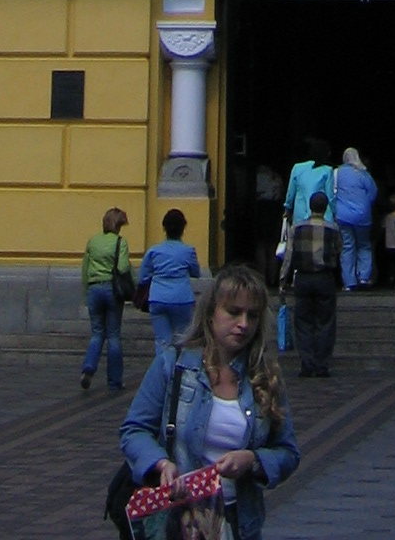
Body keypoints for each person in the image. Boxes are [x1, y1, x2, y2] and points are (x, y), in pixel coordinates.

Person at [120, 262, 299, 539]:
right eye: (233, 312)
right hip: (180, 522)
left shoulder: (265, 377)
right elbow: (133, 430)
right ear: (211, 312)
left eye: (252, 316)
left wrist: (252, 460)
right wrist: (161, 464)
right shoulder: (173, 364)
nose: (243, 324)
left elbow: (288, 452)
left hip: (239, 525)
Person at [281, 190, 340, 378]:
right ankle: (322, 364)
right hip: (324, 277)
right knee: (325, 322)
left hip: (303, 278)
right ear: (325, 208)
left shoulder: (297, 228)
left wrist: (283, 281)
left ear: (310, 206)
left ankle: (307, 363)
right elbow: (339, 249)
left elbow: (288, 257)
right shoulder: (333, 229)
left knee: (303, 322)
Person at [80, 206, 132, 394]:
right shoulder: (120, 242)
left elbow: (85, 268)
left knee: (97, 333)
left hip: (94, 289)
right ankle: (115, 381)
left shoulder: (93, 241)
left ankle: (88, 368)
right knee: (113, 336)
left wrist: (86, 291)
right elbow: (123, 267)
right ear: (118, 225)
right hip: (112, 290)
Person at [139, 210, 203, 355]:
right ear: (183, 229)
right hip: (182, 298)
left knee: (162, 341)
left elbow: (143, 277)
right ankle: (180, 373)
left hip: (157, 298)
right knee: (183, 338)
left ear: (164, 228)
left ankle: (164, 373)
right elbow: (196, 273)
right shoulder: (188, 251)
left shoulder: (154, 251)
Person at [332, 149, 378, 291]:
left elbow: (331, 193)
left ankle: (349, 282)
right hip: (363, 215)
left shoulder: (337, 173)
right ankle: (364, 277)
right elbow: (373, 193)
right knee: (364, 245)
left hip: (343, 215)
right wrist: (365, 205)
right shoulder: (363, 173)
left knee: (347, 247)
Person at [281, 140, 332, 228]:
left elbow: (291, 193)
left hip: (300, 214)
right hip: (322, 215)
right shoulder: (327, 170)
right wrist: (335, 212)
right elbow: (330, 196)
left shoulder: (297, 168)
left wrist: (287, 208)